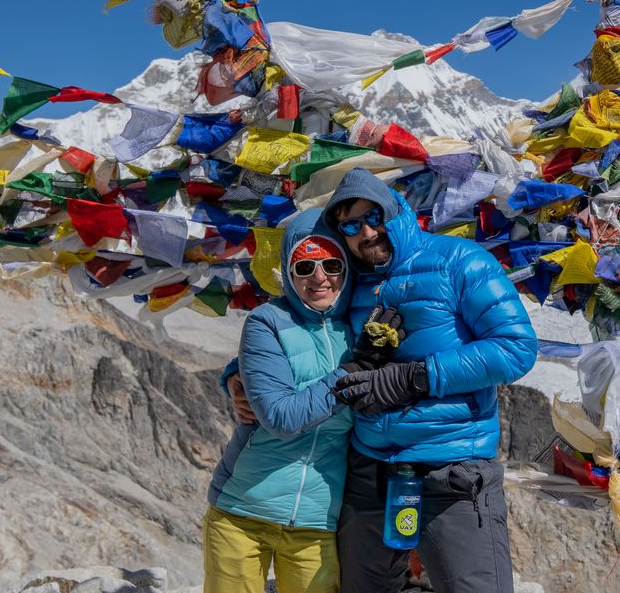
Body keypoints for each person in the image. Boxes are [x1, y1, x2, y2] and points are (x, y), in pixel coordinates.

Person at [230, 168, 538, 593]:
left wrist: (415, 377)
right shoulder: (351, 280)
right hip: (370, 472)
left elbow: (516, 348)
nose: (366, 232)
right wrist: (235, 375)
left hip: (450, 467)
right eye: (350, 227)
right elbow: (298, 330)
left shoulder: (460, 261)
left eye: (373, 216)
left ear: (396, 211)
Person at [204, 209, 366, 593]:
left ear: (346, 266)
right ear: (288, 274)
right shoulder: (268, 320)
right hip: (243, 509)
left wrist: (235, 374)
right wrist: (350, 375)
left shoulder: (361, 322)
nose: (319, 277)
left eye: (330, 264)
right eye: (304, 267)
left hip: (317, 519)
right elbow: (279, 415)